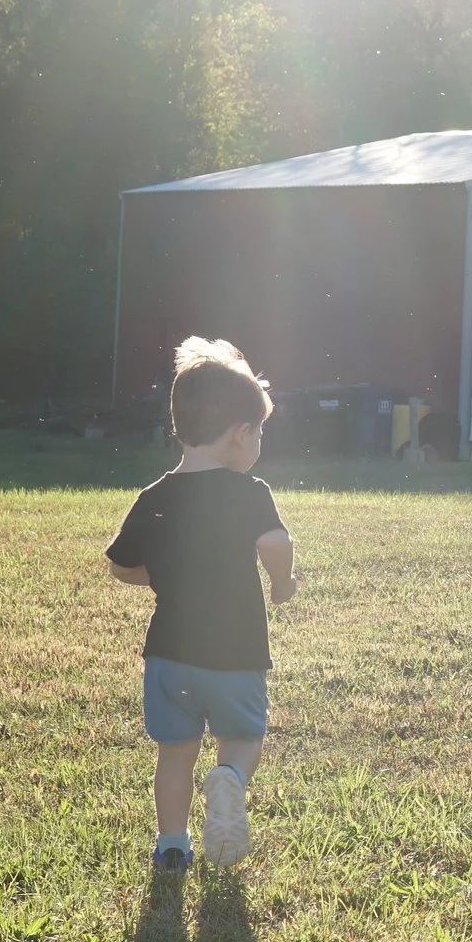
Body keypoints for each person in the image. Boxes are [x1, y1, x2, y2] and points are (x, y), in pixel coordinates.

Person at [106, 338, 298, 872]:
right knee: (241, 737)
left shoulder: (154, 497)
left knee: (175, 752)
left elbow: (122, 566)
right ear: (241, 434)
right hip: (235, 651)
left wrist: (166, 575)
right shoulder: (249, 492)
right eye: (259, 432)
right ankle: (230, 779)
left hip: (169, 654)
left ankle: (172, 846)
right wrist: (281, 584)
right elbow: (276, 544)